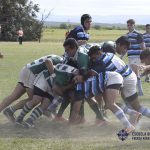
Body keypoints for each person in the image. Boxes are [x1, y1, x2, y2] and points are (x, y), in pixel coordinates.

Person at [88, 46, 150, 123]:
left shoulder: (103, 61)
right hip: (127, 78)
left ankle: (133, 118)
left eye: (94, 58)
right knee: (115, 103)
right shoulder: (108, 54)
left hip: (127, 80)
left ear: (98, 54)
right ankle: (134, 120)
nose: (93, 60)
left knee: (135, 106)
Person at [1, 55, 62, 122]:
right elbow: (48, 61)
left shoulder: (56, 57)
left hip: (27, 70)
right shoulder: (61, 61)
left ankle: (8, 110)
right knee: (34, 99)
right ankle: (10, 111)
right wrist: (54, 76)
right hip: (31, 73)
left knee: (14, 96)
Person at [126, 19, 145, 96]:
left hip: (137, 57)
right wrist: (121, 56)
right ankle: (139, 91)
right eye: (128, 25)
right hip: (130, 57)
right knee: (134, 74)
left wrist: (144, 57)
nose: (129, 27)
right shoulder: (127, 35)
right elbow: (126, 48)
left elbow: (143, 46)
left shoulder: (138, 34)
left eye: (130, 25)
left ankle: (139, 91)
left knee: (135, 72)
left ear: (134, 25)